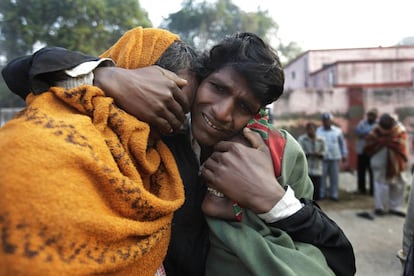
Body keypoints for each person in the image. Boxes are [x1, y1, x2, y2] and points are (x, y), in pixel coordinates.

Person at [2, 30, 356, 276]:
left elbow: (338, 254)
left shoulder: (270, 154)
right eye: (217, 88)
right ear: (198, 81)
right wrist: (109, 77)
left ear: (257, 114)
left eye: (244, 105)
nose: (221, 112)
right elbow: (19, 70)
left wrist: (270, 197)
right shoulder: (158, 134)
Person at [364, 113, 408, 217]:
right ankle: (380, 207)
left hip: (397, 163)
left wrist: (384, 141)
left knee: (398, 184)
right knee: (380, 185)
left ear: (393, 122)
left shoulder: (399, 130)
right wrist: (384, 142)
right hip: (380, 163)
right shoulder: (375, 131)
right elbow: (369, 144)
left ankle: (396, 207)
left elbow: (402, 143)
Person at [316, 112, 348, 201]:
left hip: (335, 157)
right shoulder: (319, 131)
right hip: (323, 157)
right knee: (322, 177)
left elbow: (342, 144)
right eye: (324, 121)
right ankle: (322, 194)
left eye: (328, 120)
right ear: (322, 121)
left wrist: (344, 154)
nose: (326, 122)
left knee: (334, 177)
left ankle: (334, 194)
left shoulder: (338, 131)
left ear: (331, 121)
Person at [298, 122, 326, 200]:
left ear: (316, 129)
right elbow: (300, 151)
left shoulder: (321, 140)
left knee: (317, 186)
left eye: (312, 129)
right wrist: (308, 154)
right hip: (307, 167)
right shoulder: (302, 139)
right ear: (307, 130)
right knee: (307, 186)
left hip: (318, 167)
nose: (311, 131)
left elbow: (325, 152)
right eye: (309, 129)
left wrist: (319, 154)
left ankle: (317, 200)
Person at [354, 108, 378, 195]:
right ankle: (361, 189)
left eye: (372, 115)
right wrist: (370, 132)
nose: (370, 117)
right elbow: (357, 131)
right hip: (362, 151)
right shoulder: (362, 123)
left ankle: (373, 190)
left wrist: (366, 133)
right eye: (369, 115)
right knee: (361, 171)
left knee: (372, 172)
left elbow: (377, 135)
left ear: (375, 116)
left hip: (372, 152)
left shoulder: (378, 124)